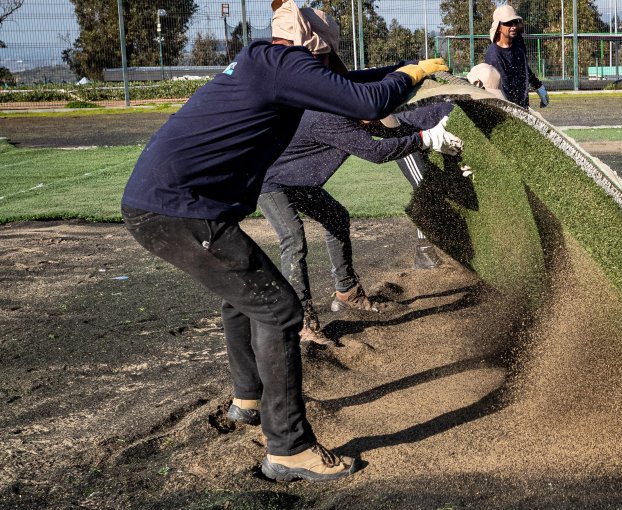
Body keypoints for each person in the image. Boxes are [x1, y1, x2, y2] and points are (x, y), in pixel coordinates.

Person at [120, 0, 448, 483]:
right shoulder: (282, 65)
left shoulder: (267, 61)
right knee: (279, 310)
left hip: (166, 204)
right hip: (179, 210)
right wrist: (412, 73)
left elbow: (349, 83)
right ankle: (290, 447)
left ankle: (247, 400)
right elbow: (366, 102)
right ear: (313, 49)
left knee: (245, 300)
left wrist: (406, 73)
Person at [258, 101, 464, 346]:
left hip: (298, 181)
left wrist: (446, 113)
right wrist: (425, 139)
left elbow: (397, 130)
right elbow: (377, 153)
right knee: (294, 238)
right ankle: (302, 320)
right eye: (375, 121)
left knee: (336, 216)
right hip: (269, 181)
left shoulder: (354, 112)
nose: (377, 126)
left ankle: (347, 291)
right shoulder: (332, 119)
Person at [484, 4, 550, 109]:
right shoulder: (494, 55)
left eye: (515, 22)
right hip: (506, 108)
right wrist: (516, 111)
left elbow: (523, 67)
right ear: (499, 27)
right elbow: (502, 89)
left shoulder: (518, 42)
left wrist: (538, 86)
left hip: (523, 104)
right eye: (509, 23)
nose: (513, 26)